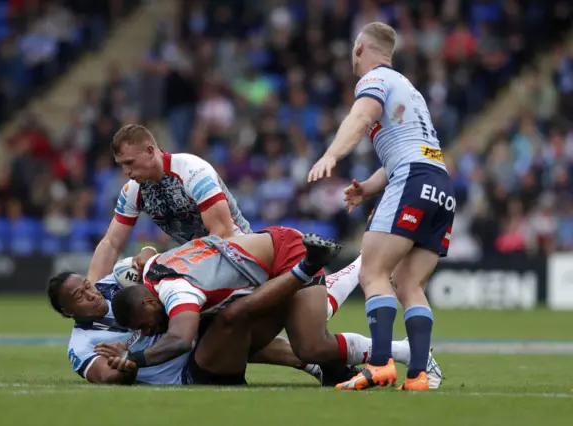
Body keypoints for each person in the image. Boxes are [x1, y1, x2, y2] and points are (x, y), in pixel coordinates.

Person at [308, 22, 454, 392]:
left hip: (413, 180)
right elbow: (404, 151)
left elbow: (361, 118)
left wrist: (331, 154)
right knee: (409, 283)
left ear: (359, 50)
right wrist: (369, 189)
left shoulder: (374, 80)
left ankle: (379, 364)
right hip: (440, 185)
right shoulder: (411, 90)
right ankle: (419, 375)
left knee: (372, 270)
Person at [103, 228, 441, 387]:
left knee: (311, 344)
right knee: (236, 330)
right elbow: (145, 255)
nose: (146, 331)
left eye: (144, 324)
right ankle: (361, 260)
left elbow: (180, 338)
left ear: (149, 299)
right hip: (262, 260)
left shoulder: (175, 289)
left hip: (282, 255)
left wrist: (134, 357)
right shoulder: (152, 269)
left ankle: (410, 352)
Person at [87, 124, 358, 321]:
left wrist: (165, 263)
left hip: (240, 254)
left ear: (149, 151)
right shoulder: (133, 190)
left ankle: (356, 268)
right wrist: (93, 292)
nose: (126, 172)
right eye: (122, 165)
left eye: (130, 163)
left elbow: (222, 233)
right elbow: (111, 243)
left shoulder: (192, 170)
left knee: (301, 318)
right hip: (200, 264)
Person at [48, 271, 326, 385]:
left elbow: (144, 261)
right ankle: (306, 278)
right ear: (67, 311)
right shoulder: (81, 344)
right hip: (188, 372)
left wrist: (146, 255)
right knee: (234, 317)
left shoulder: (112, 283)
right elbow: (106, 376)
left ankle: (318, 361)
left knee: (224, 311)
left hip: (191, 340)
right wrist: (123, 362)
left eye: (87, 284)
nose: (91, 293)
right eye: (79, 296)